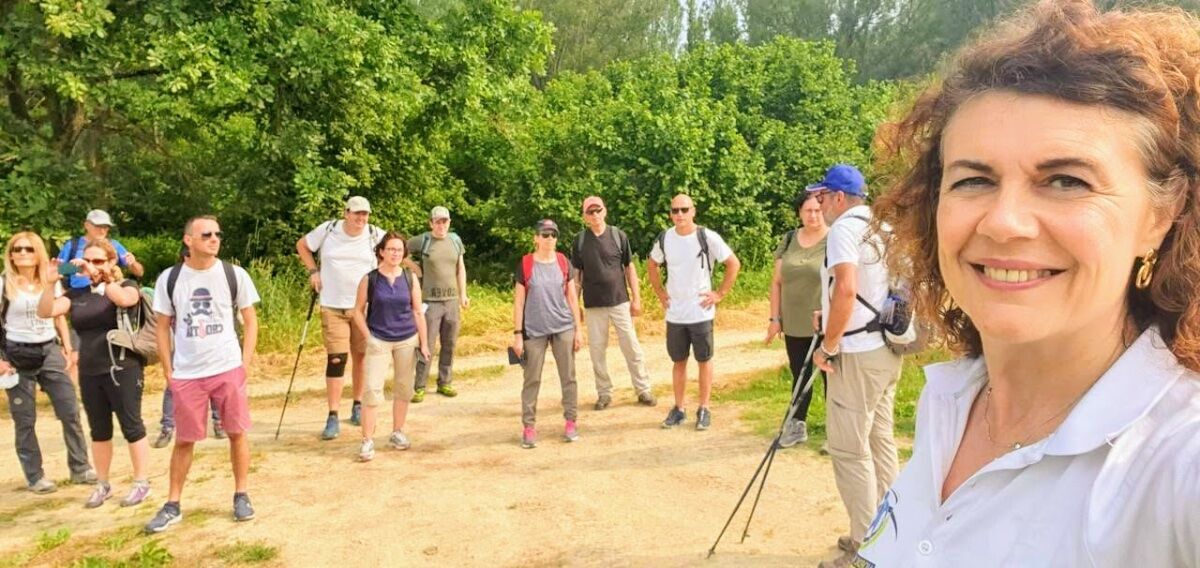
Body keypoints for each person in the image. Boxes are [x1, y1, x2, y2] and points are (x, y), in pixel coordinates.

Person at [853, 1, 1200, 566]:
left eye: (1066, 180)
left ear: (1162, 215)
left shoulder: (1176, 464)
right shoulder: (951, 402)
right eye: (973, 180)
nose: (1004, 222)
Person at [806, 164, 901, 567]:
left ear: (839, 197)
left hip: (858, 353)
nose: (818, 203)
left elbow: (846, 289)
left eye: (823, 196)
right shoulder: (884, 228)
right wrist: (830, 316)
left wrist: (828, 345)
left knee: (849, 449)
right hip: (886, 349)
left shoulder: (844, 229)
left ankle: (866, 548)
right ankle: (893, 534)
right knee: (881, 442)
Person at [145, 215, 260, 533]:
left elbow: (250, 320)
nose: (214, 238)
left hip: (227, 368)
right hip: (188, 373)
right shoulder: (170, 278)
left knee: (237, 433)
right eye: (206, 234)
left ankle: (241, 494)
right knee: (184, 439)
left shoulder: (233, 274)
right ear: (188, 240)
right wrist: (168, 369)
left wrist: (244, 363)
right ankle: (173, 504)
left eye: (217, 234)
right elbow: (162, 326)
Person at [50, 240, 152, 508]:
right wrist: (49, 281)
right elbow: (46, 311)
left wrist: (103, 279)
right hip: (90, 370)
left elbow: (125, 300)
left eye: (98, 261)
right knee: (99, 430)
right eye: (87, 260)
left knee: (132, 425)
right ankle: (103, 483)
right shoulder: (76, 295)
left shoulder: (125, 286)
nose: (90, 265)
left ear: (110, 262)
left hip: (122, 368)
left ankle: (141, 482)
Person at [1, 233, 95, 494]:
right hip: (17, 354)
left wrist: (67, 347)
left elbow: (60, 314)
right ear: (10, 255)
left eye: (29, 249)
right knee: (25, 419)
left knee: (70, 409)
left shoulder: (50, 278)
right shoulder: (3, 283)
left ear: (38, 252)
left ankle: (80, 467)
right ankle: (35, 476)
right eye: (16, 249)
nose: (22, 253)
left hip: (48, 349)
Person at [647, 194, 740, 431]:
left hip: (700, 312)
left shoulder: (706, 236)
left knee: (704, 360)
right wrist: (659, 292)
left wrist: (719, 294)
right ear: (670, 213)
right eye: (675, 210)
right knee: (678, 361)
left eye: (684, 210)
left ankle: (704, 408)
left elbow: (733, 263)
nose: (679, 215)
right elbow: (652, 264)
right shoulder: (665, 238)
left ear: (693, 211)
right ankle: (679, 409)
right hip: (675, 313)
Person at [296, 196, 383, 440]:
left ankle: (357, 404)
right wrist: (314, 271)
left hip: (363, 308)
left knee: (361, 356)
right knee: (336, 359)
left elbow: (396, 250)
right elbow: (302, 245)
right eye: (356, 213)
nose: (361, 218)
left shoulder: (375, 234)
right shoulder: (329, 229)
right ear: (346, 213)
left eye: (365, 214)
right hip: (332, 305)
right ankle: (333, 415)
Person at [350, 232, 430, 461]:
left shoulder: (409, 277)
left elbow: (417, 311)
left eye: (399, 250)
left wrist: (424, 343)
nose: (395, 253)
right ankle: (367, 440)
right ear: (381, 252)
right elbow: (357, 310)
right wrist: (369, 337)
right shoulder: (370, 279)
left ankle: (397, 432)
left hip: (407, 338)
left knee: (403, 388)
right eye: (391, 249)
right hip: (379, 339)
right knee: (372, 390)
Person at [570, 196, 656, 410]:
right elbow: (576, 276)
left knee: (631, 347)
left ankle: (643, 389)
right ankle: (604, 393)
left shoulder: (618, 236)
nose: (595, 215)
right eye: (590, 212)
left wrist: (636, 299)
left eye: (598, 210)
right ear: (585, 216)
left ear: (605, 211)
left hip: (620, 302)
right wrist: (575, 305)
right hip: (593, 305)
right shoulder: (579, 241)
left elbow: (629, 268)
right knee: (597, 351)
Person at [511, 220, 584, 449]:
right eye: (545, 234)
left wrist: (578, 329)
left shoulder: (563, 262)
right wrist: (517, 334)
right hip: (534, 329)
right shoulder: (525, 264)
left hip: (563, 326)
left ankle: (571, 421)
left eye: (553, 235)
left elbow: (572, 298)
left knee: (568, 376)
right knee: (531, 378)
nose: (549, 238)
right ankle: (529, 426)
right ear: (536, 238)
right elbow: (519, 301)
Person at [764, 192, 828, 448]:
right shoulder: (789, 239)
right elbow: (777, 282)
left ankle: (837, 434)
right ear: (799, 213)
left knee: (830, 378)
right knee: (799, 376)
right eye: (808, 211)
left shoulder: (835, 238)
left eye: (817, 210)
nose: (813, 215)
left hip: (824, 322)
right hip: (794, 322)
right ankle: (797, 426)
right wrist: (774, 318)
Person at [406, 206, 468, 402]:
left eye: (445, 221)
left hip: (451, 301)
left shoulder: (455, 240)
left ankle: (445, 382)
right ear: (431, 223)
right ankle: (420, 386)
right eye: (438, 221)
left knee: (449, 343)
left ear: (449, 222)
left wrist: (463, 295)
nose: (441, 225)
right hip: (430, 302)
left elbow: (461, 269)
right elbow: (400, 248)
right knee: (426, 344)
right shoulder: (423, 240)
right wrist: (413, 265)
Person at [57, 209, 144, 289]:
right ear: (86, 225)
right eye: (98, 226)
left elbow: (139, 273)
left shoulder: (114, 245)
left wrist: (133, 263)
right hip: (78, 296)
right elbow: (58, 269)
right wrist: (82, 268)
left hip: (108, 295)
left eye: (105, 227)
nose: (102, 231)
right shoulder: (72, 245)